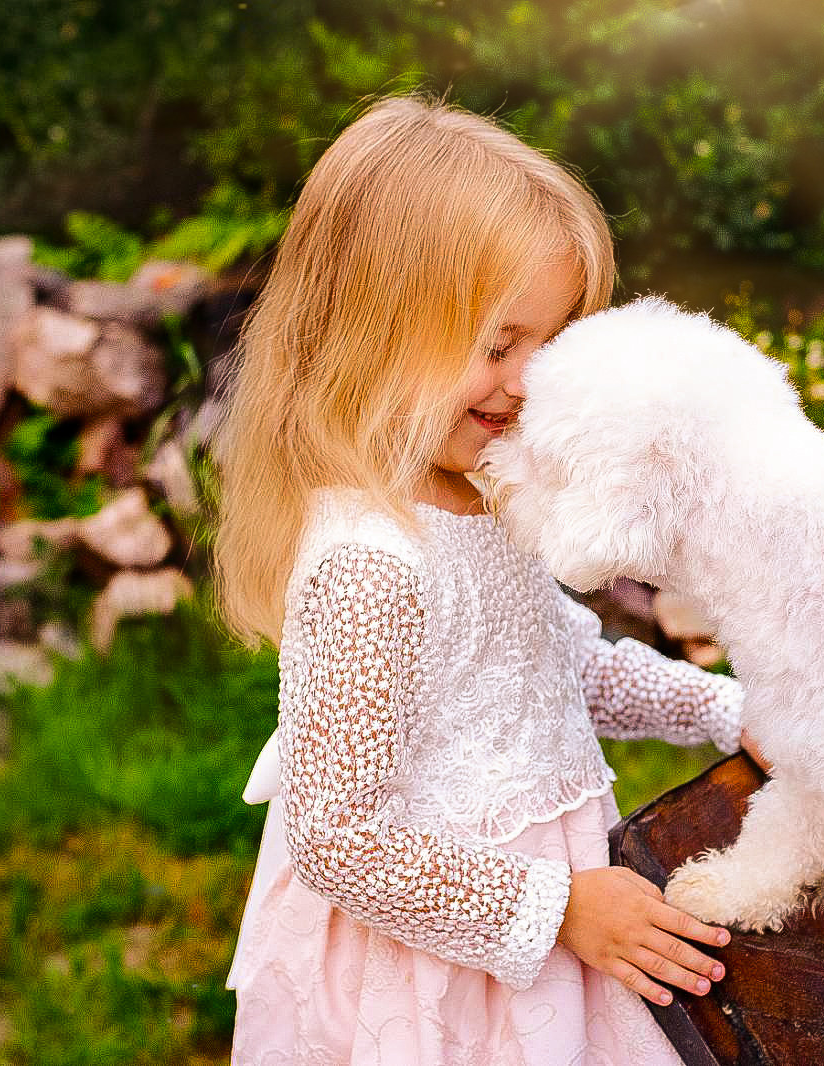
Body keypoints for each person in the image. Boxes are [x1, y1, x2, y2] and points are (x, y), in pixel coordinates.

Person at [212, 93, 755, 1064]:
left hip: (546, 924)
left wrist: (730, 709)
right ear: (371, 332)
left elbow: (561, 671)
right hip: (431, 974)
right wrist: (556, 908)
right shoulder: (369, 564)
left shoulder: (484, 498)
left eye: (548, 345)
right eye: (496, 345)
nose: (525, 381)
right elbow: (340, 839)